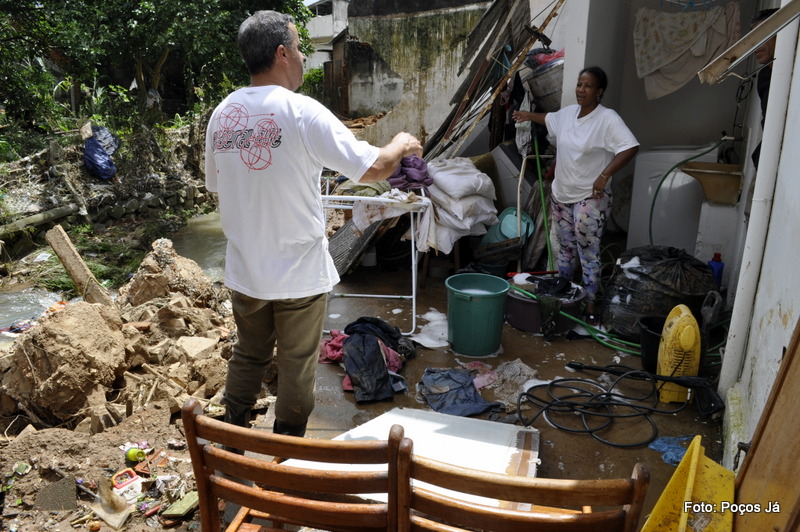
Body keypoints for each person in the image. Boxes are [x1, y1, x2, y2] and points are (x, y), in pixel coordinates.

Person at [205, 10, 422, 437]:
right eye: (301, 49)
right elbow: (374, 168)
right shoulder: (302, 111)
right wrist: (401, 143)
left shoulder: (222, 115)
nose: (304, 58)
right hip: (298, 274)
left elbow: (219, 187)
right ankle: (287, 447)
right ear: (282, 53)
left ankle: (230, 439)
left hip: (245, 269)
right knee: (295, 362)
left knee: (247, 355)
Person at [512, 66, 638, 326]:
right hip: (562, 193)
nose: (581, 90)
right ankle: (565, 296)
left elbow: (629, 147)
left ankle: (590, 303)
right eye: (580, 84)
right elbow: (549, 119)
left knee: (588, 252)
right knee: (566, 251)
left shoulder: (607, 119)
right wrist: (526, 115)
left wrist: (604, 175)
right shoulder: (568, 114)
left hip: (590, 197)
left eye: (588, 86)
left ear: (599, 91)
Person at [751, 8, 778, 168]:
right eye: (754, 41)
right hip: (766, 160)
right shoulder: (765, 76)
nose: (757, 47)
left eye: (764, 37)